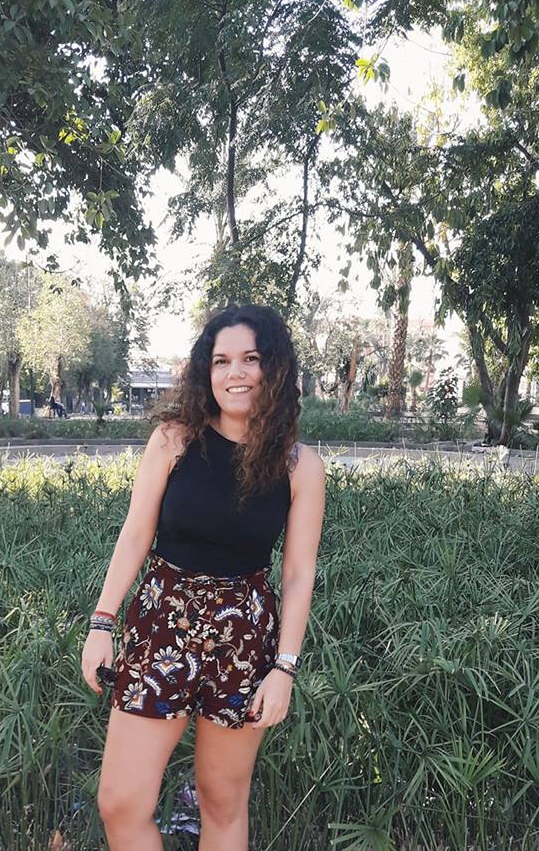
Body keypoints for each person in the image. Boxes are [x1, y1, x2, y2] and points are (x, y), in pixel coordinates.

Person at [82, 304, 326, 850]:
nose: (235, 372)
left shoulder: (299, 466)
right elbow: (135, 535)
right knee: (120, 802)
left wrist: (284, 668)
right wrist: (102, 622)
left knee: (221, 802)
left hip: (244, 640)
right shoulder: (174, 440)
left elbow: (297, 573)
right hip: (161, 627)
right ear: (205, 370)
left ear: (274, 369)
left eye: (250, 359)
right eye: (221, 361)